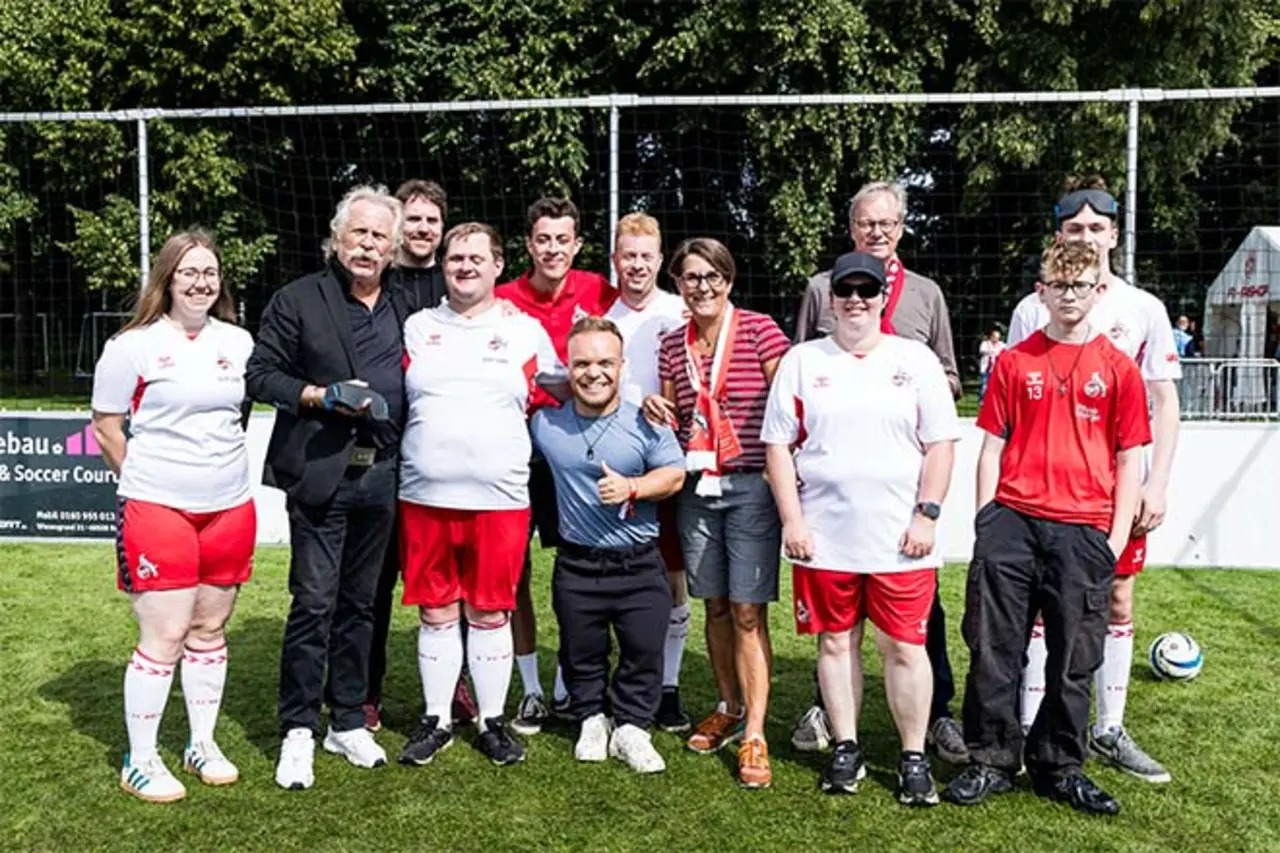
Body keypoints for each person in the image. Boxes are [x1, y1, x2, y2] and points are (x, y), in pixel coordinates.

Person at [945, 241, 1149, 816]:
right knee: (993, 646)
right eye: (1057, 286)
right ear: (1042, 290)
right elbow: (993, 444)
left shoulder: (1119, 368)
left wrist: (1113, 537)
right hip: (1012, 520)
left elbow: (1130, 456)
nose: (1068, 297)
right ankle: (991, 759)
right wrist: (987, 519)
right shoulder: (1015, 361)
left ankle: (1060, 765)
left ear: (1097, 291)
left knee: (1073, 655)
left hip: (1084, 528)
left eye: (1080, 286)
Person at [763, 251, 960, 807]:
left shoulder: (915, 359)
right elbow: (777, 445)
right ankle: (846, 746)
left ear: (881, 297)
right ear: (830, 298)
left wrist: (927, 513)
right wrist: (793, 520)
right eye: (844, 290)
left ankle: (913, 755)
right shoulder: (803, 360)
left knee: (904, 647)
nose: (855, 300)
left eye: (865, 290)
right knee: (835, 642)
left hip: (902, 540)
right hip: (824, 539)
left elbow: (940, 443)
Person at [1008, 176, 1182, 783]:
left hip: (1116, 486)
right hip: (1041, 490)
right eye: (1073, 227)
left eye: (1096, 227)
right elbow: (1015, 399)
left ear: (1114, 233)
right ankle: (1033, 729)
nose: (1085, 236)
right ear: (1060, 233)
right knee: (1038, 604)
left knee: (1116, 596)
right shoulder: (1034, 306)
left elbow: (1164, 403)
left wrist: (1154, 485)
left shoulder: (1144, 309)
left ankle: (1107, 728)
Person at [790, 181, 968, 768]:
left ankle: (935, 714)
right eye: (867, 223)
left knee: (919, 621)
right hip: (835, 506)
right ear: (852, 228)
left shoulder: (926, 294)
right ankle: (833, 717)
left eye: (887, 224)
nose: (877, 232)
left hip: (902, 500)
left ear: (901, 227)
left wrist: (917, 393)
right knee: (836, 627)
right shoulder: (821, 288)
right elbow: (801, 376)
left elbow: (949, 372)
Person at [247, 185, 417, 790]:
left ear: (393, 248)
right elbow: (261, 374)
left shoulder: (406, 306)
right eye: (359, 233)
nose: (368, 245)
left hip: (382, 476)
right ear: (337, 236)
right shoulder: (298, 299)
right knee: (314, 602)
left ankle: (347, 719)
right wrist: (318, 396)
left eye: (379, 237)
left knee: (362, 605)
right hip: (320, 473)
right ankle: (298, 727)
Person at [91, 229, 256, 803]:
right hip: (158, 507)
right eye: (188, 271)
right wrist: (143, 480)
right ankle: (140, 758)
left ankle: (201, 743)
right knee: (164, 635)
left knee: (209, 631)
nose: (200, 281)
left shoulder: (238, 341)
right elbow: (106, 424)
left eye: (209, 272)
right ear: (166, 279)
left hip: (231, 506)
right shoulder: (131, 345)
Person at [394, 222, 566, 768]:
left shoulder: (525, 331)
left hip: (501, 498)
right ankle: (437, 719)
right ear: (442, 267)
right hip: (424, 495)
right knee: (437, 612)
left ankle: (493, 720)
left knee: (491, 612)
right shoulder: (417, 327)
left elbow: (566, 390)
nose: (464, 266)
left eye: (476, 258)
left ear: (498, 267)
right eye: (454, 258)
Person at [643, 237, 790, 789]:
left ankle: (755, 730)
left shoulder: (759, 330)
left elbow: (788, 400)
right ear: (678, 284)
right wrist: (655, 406)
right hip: (697, 486)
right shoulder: (669, 343)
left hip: (751, 483)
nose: (701, 286)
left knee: (749, 611)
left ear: (728, 280)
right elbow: (674, 411)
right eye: (690, 277)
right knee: (716, 607)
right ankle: (728, 706)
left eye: (712, 276)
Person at [532, 316, 686, 772]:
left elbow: (674, 474)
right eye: (582, 363)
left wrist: (633, 488)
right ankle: (591, 719)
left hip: (638, 563)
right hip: (577, 564)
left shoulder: (646, 421)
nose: (593, 373)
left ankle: (633, 728)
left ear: (621, 367)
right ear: (568, 368)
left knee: (643, 648)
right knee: (581, 650)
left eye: (604, 362)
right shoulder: (545, 425)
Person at [494, 197, 613, 735]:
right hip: (516, 454)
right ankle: (532, 690)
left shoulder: (598, 292)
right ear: (529, 244)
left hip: (577, 456)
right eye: (543, 239)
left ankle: (572, 681)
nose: (553, 249)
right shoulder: (500, 301)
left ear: (577, 244)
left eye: (562, 239)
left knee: (578, 572)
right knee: (513, 574)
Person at [364, 178, 477, 733]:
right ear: (398, 227)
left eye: (433, 220)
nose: (424, 229)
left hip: (444, 454)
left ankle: (455, 685)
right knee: (376, 582)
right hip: (386, 453)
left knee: (454, 586)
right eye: (414, 220)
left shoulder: (457, 280)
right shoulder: (377, 282)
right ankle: (365, 691)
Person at [603, 212, 694, 732]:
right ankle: (618, 677)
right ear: (615, 260)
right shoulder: (600, 319)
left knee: (671, 576)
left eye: (645, 256)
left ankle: (668, 686)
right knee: (618, 575)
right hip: (616, 466)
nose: (636, 265)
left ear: (660, 261)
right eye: (627, 255)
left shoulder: (682, 313)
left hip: (669, 466)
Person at [978, 329, 1006, 405]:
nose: (996, 339)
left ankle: (994, 401)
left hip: (995, 369)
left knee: (996, 386)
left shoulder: (1001, 344)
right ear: (991, 337)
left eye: (998, 337)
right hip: (986, 368)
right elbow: (982, 350)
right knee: (984, 385)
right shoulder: (985, 343)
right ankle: (982, 401)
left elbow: (1006, 350)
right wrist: (993, 352)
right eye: (995, 337)